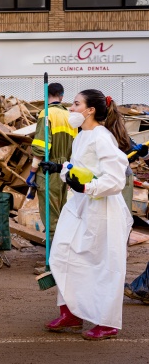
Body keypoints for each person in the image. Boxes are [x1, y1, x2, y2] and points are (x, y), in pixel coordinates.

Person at [40, 90, 133, 340]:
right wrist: (61, 168)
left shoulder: (102, 137)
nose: (71, 108)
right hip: (80, 205)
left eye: (76, 104)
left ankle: (107, 321)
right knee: (63, 255)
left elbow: (114, 179)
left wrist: (87, 187)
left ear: (90, 110)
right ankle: (71, 312)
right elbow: (82, 168)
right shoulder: (82, 135)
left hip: (102, 210)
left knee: (104, 265)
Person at [28, 83, 77, 275]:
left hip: (49, 171)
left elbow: (41, 146)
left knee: (50, 217)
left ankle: (53, 263)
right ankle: (61, 259)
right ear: (62, 97)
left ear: (46, 95)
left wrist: (32, 172)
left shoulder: (46, 114)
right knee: (62, 214)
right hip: (66, 170)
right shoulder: (69, 116)